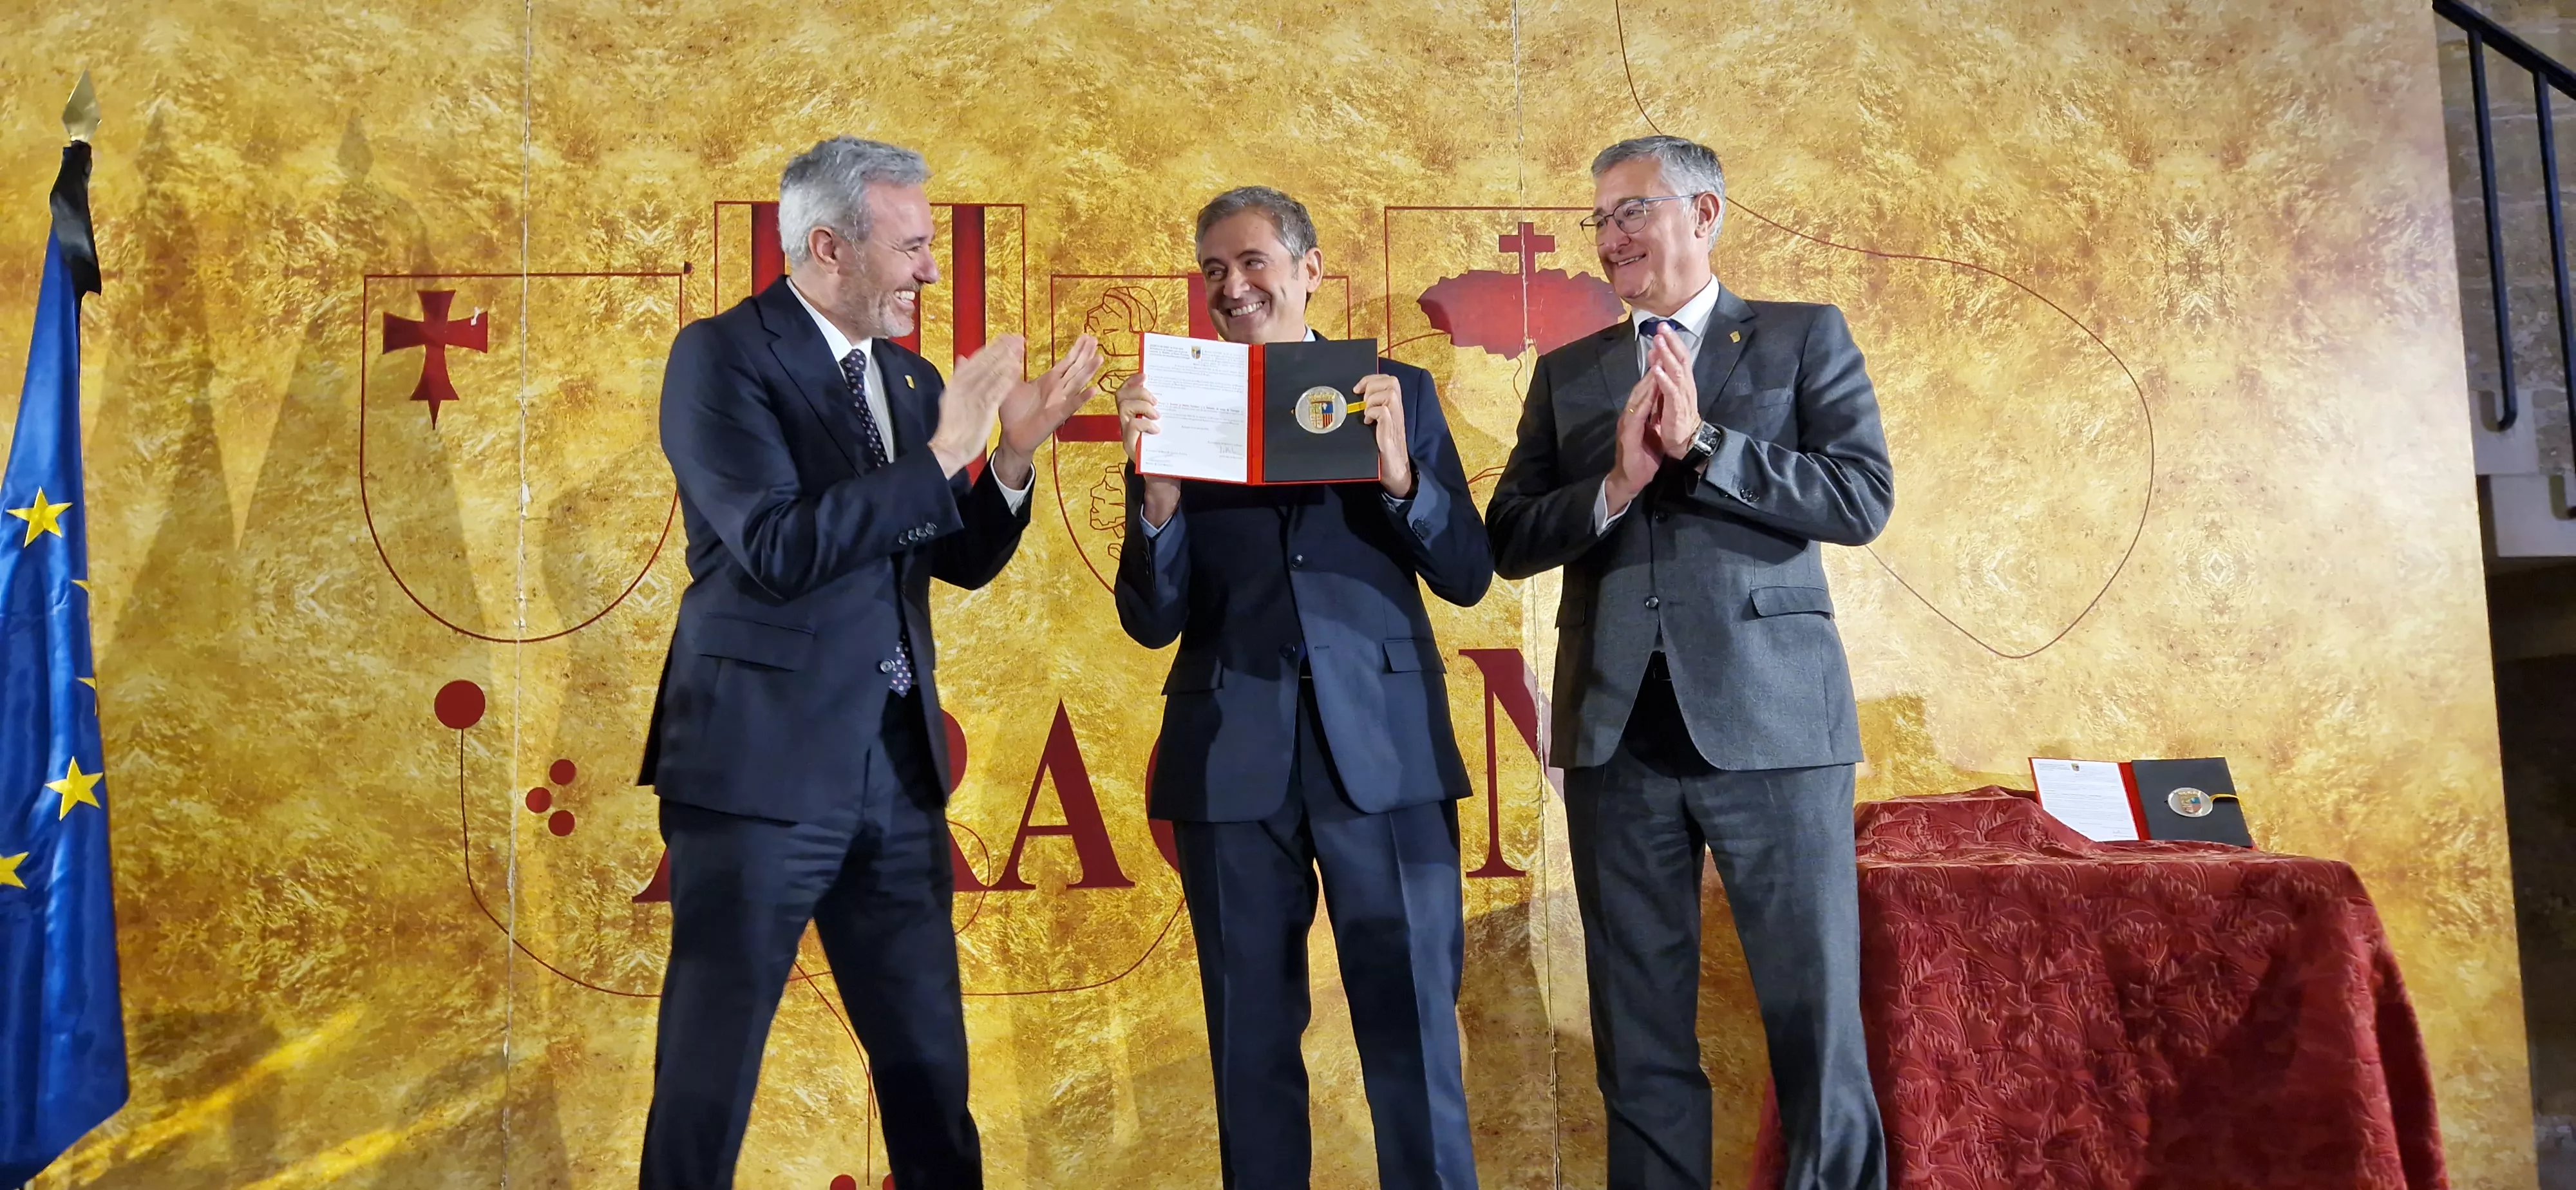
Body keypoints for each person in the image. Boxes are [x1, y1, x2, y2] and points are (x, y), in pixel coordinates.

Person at [636, 135, 1103, 1190]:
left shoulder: (910, 377)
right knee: (709, 1082)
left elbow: (957, 558)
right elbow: (778, 548)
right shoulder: (719, 358)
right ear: (827, 246)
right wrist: (944, 451)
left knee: (931, 1078)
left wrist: (1013, 454)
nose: (932, 271)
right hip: (757, 775)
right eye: (913, 247)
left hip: (896, 780)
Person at [1485, 135, 1895, 1190]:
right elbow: (1509, 536)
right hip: (1617, 735)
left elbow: (1859, 498)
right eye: (1602, 220)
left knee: (1816, 1027)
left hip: (1778, 731)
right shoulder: (1571, 372)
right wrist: (1616, 486)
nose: (1612, 238)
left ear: (1704, 214)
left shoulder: (1803, 338)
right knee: (1640, 1029)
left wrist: (1707, 444)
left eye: (1633, 213)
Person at [1112, 186, 1491, 1190]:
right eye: (1212, 274)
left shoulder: (1396, 390)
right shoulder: (1180, 406)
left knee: (1413, 1032)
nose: (1232, 289)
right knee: (1248, 1050)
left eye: (1251, 263)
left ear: (1309, 269)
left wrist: (1405, 480)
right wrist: (1155, 502)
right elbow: (1152, 621)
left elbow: (1467, 576)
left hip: (1388, 755)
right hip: (1232, 763)